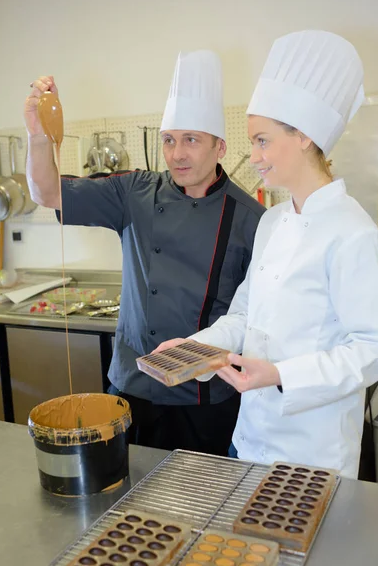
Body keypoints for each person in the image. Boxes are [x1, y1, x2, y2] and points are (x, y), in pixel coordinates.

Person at [154, 31, 378, 478]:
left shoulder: (353, 234)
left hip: (312, 458)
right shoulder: (273, 221)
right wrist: (196, 348)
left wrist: (281, 374)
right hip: (249, 442)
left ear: (302, 136)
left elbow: (374, 350)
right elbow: (244, 317)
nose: (255, 155)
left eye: (263, 140)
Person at [24, 50, 265, 455]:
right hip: (132, 388)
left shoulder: (252, 218)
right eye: (169, 140)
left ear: (219, 147)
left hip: (205, 401)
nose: (177, 154)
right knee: (125, 501)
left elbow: (255, 317)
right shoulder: (133, 192)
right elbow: (46, 192)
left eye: (191, 140)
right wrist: (36, 133)